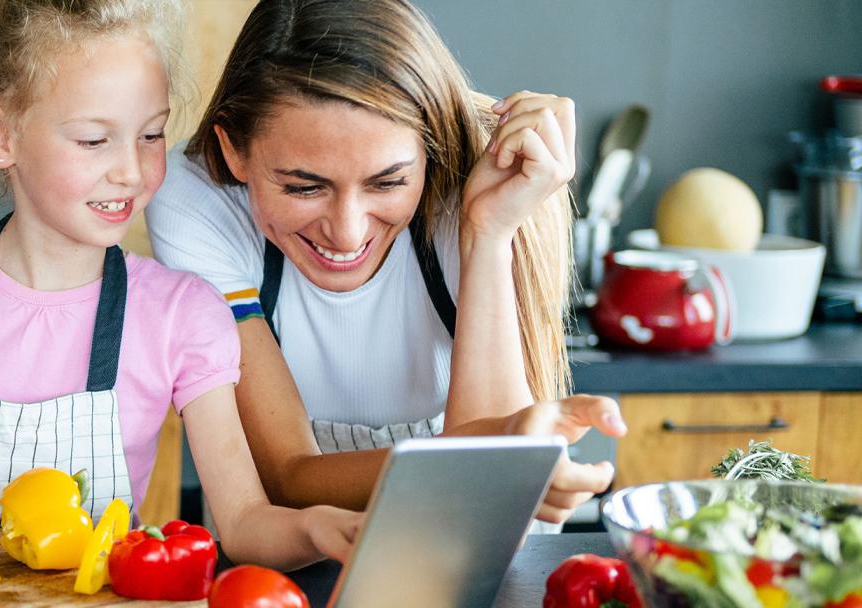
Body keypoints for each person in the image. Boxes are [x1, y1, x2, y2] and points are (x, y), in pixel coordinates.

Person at [0, 0, 368, 570]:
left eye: (152, 135)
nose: (131, 172)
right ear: (1, 134)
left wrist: (316, 526)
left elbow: (241, 521)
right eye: (93, 140)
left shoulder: (179, 315)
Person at [146, 0, 621, 525]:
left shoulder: (480, 186)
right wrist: (488, 455)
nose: (347, 232)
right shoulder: (195, 198)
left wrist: (488, 232)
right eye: (304, 186)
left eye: (388, 182)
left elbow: (491, 507)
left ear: (430, 150)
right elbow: (286, 478)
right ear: (234, 150)